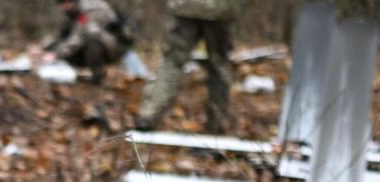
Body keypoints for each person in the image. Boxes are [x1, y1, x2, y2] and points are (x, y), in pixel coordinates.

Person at [134, 0, 242, 133]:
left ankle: (149, 114)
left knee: (172, 62)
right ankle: (217, 124)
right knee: (219, 65)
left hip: (186, 5)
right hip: (221, 8)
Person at [38, 0, 131, 84]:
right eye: (61, 4)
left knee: (91, 39)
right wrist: (41, 47)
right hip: (96, 42)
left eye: (65, 3)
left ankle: (97, 76)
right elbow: (59, 33)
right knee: (62, 45)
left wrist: (55, 54)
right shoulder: (73, 10)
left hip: (113, 47)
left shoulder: (92, 9)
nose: (63, 7)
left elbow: (78, 38)